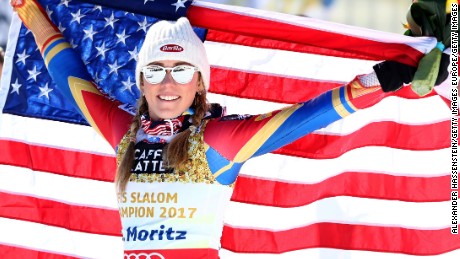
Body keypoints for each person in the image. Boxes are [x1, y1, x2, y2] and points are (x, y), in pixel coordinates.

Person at [10, 1, 447, 258]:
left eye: (182, 71)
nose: (167, 83)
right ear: (141, 81)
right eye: (156, 70)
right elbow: (71, 76)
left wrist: (378, 79)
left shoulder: (217, 141)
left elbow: (303, 118)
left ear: (199, 82)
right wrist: (29, 13)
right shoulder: (125, 134)